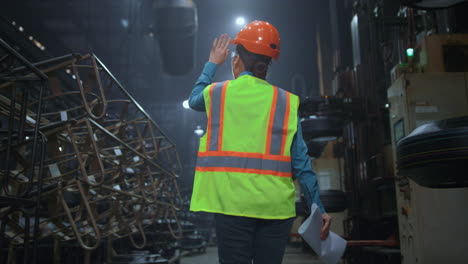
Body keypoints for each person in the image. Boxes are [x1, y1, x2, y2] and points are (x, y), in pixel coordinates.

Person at [188, 20, 331, 264]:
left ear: (237, 59)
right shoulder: (286, 102)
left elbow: (193, 100)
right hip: (275, 209)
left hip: (231, 206)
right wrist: (318, 207)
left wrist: (212, 63)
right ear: (268, 65)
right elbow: (301, 162)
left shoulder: (218, 93)